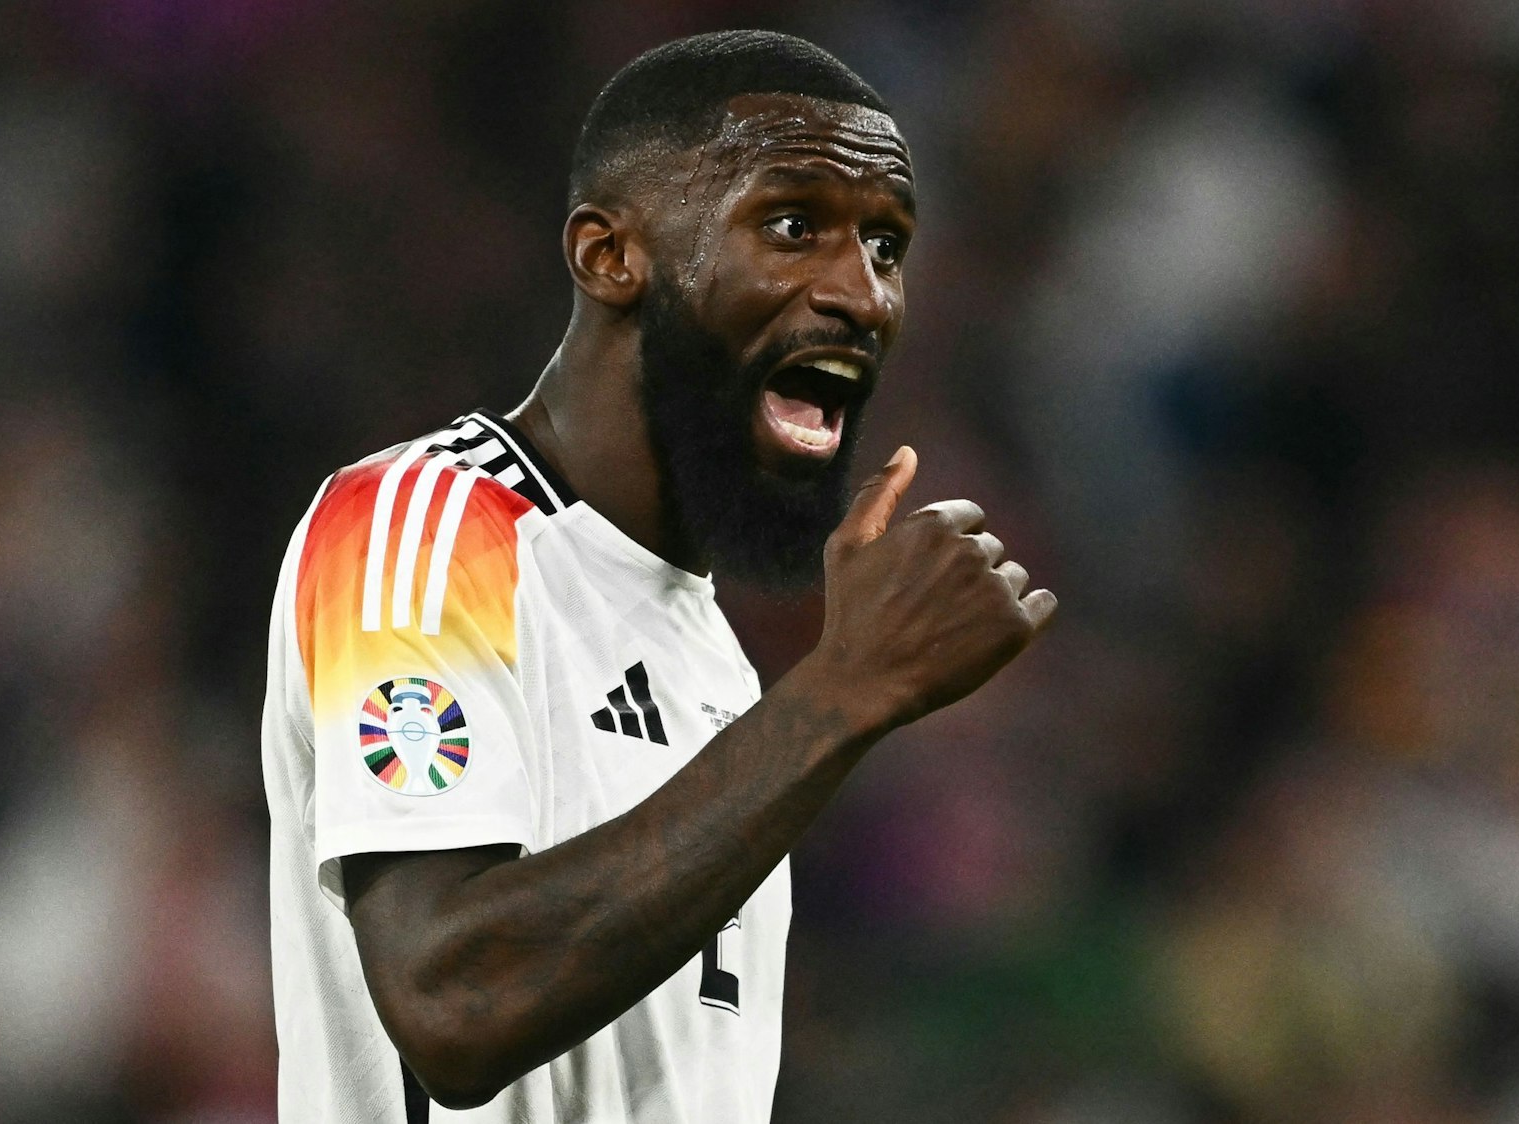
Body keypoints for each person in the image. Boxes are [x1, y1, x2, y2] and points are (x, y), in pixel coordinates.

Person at [259, 29, 1056, 1123]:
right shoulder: (426, 524)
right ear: (609, 256)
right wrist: (845, 688)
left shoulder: (712, 655)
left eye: (885, 245)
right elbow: (452, 1000)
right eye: (793, 226)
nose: (864, 295)